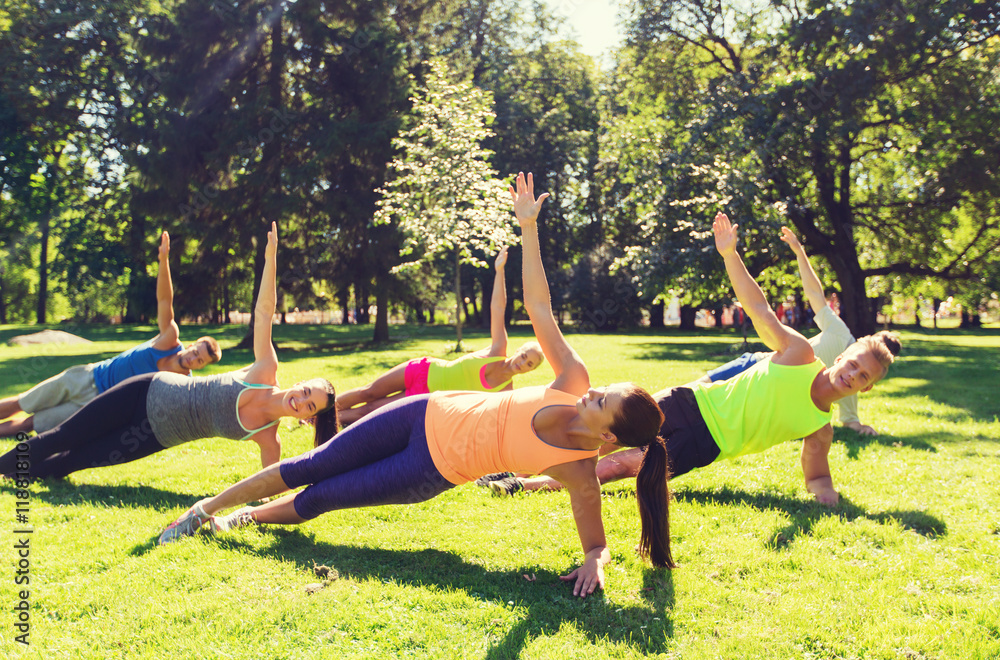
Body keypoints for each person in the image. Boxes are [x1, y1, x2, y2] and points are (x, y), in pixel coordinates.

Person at [158, 173, 672, 598]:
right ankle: (200, 511)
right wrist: (528, 229)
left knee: (324, 498)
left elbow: (594, 543)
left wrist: (596, 562)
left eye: (602, 401)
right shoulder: (572, 379)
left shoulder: (579, 471)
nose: (591, 391)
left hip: (428, 469)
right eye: (602, 388)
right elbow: (539, 307)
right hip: (421, 411)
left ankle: (245, 519)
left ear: (608, 437)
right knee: (308, 466)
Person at [484, 217, 900, 507]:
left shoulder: (819, 428)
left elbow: (817, 475)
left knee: (625, 465)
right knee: (607, 431)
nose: (852, 374)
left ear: (866, 388)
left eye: (863, 377)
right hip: (692, 400)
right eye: (854, 363)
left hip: (709, 444)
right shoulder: (800, 354)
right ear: (842, 354)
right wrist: (729, 254)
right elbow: (758, 309)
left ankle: (529, 485)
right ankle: (518, 466)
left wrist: (827, 496)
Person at [0, 223, 337, 480]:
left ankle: (17, 473)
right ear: (300, 383)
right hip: (146, 391)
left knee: (75, 462)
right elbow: (264, 312)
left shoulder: (268, 439)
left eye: (309, 406)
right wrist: (270, 258)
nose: (300, 400)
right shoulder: (265, 371)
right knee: (64, 436)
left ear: (307, 418)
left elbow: (268, 483)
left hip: (153, 436)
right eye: (306, 391)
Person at [0, 232, 222, 438]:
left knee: (31, 424)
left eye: (199, 360)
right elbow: (165, 301)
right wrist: (163, 260)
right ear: (193, 344)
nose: (193, 357)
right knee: (22, 402)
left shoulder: (181, 383)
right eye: (196, 351)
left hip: (95, 406)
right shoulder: (169, 340)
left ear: (202, 366)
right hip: (86, 377)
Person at [336, 247, 544, 425]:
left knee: (371, 410)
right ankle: (320, 408)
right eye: (525, 355)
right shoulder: (498, 349)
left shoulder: (504, 391)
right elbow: (498, 308)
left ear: (530, 371)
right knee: (368, 392)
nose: (522, 362)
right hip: (423, 369)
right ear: (518, 351)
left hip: (424, 398)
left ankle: (322, 420)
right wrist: (499, 271)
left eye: (529, 364)